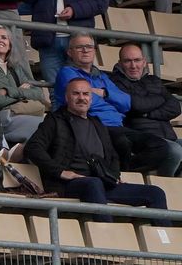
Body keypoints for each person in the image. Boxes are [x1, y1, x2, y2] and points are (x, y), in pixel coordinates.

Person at [26, 77, 168, 214]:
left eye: (86, 94)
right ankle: (107, 234)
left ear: (91, 98)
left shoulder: (97, 123)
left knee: (155, 193)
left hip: (102, 183)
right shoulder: (55, 120)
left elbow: (112, 155)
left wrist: (114, 175)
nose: (81, 98)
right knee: (94, 184)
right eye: (76, 93)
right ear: (66, 97)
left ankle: (165, 237)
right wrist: (60, 172)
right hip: (69, 185)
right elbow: (33, 147)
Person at [51, 32, 181, 175]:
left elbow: (126, 103)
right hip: (93, 124)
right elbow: (86, 103)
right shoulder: (67, 73)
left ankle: (124, 171)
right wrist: (109, 102)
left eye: (89, 46)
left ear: (94, 50)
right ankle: (119, 176)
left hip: (117, 125)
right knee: (123, 144)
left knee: (160, 147)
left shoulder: (101, 76)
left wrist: (105, 94)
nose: (85, 50)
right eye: (80, 47)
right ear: (70, 52)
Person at [109, 43, 182, 175]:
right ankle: (166, 184)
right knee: (176, 151)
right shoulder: (114, 83)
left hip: (169, 137)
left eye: (137, 60)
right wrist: (159, 100)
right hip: (145, 140)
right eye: (128, 61)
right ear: (120, 63)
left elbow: (175, 107)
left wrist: (147, 113)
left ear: (144, 61)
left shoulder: (153, 80)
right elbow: (136, 105)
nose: (133, 66)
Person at [0, 23, 48, 145]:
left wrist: (9, 91)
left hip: (22, 112)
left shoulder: (15, 67)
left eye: (4, 37)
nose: (0, 40)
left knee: (54, 126)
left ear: (9, 45)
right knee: (44, 128)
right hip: (0, 117)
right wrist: (23, 92)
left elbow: (38, 94)